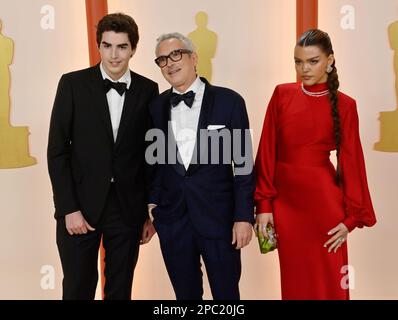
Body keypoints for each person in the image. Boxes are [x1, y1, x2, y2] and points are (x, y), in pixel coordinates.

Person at [254, 29, 376, 300]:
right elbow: (266, 152)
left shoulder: (346, 106)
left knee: (330, 284)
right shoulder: (281, 95)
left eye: (313, 61)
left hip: (325, 208)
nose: (304, 69)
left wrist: (351, 219)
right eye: (298, 62)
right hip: (286, 207)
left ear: (329, 60)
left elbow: (352, 161)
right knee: (295, 284)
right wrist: (264, 205)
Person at [47, 13, 158, 300]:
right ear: (99, 46)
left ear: (133, 48)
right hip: (80, 207)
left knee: (120, 290)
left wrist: (149, 211)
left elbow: (150, 156)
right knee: (77, 289)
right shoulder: (72, 84)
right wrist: (68, 208)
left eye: (121, 47)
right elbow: (57, 151)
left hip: (127, 209)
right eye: (107, 46)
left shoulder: (149, 90)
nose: (114, 54)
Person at [148, 33, 255, 300]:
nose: (170, 64)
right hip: (173, 221)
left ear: (194, 58)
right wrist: (152, 205)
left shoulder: (230, 101)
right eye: (162, 60)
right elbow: (152, 163)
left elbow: (243, 165)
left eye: (176, 55)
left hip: (219, 220)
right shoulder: (155, 107)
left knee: (227, 296)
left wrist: (243, 216)